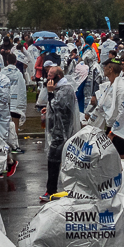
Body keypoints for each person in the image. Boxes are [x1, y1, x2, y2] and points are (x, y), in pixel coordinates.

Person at [41, 65, 78, 202]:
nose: (48, 78)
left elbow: (57, 106)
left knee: (54, 160)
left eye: (51, 75)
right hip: (56, 130)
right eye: (48, 75)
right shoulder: (60, 89)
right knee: (56, 161)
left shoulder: (65, 89)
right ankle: (53, 189)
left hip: (62, 133)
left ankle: (51, 190)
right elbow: (54, 107)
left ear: (59, 76)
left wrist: (50, 93)